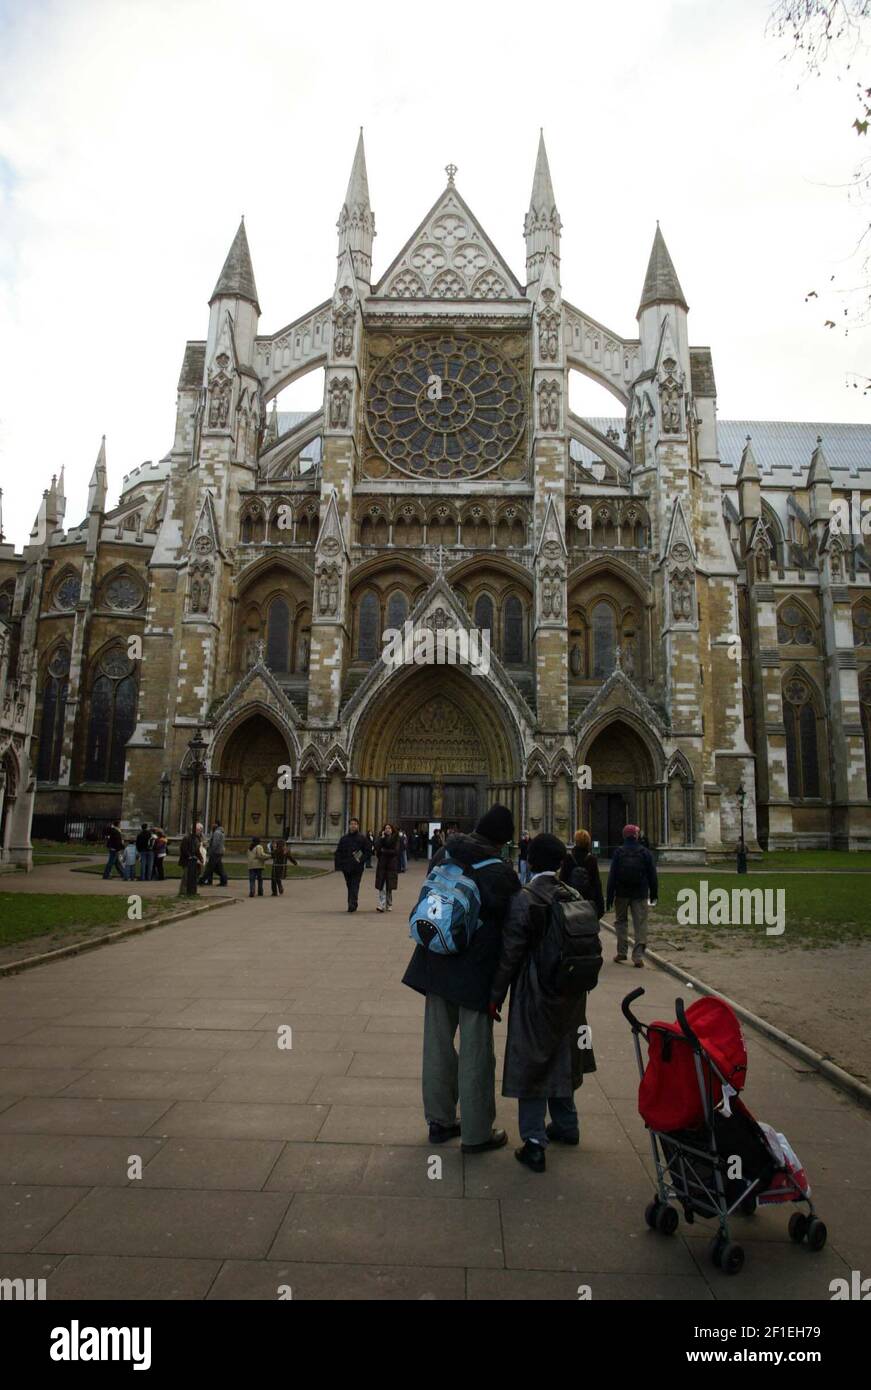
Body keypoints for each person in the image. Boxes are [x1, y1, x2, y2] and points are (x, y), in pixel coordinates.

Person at [402, 804, 519, 1155]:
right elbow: (512, 934)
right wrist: (501, 986)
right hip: (475, 975)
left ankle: (439, 1121)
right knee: (476, 1053)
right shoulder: (501, 872)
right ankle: (477, 1132)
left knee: (437, 1046)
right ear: (502, 841)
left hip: (435, 963)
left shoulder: (444, 853)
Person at [490, 833, 599, 1173]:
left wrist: (495, 995)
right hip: (572, 993)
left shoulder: (525, 898)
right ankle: (568, 1125)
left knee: (533, 1058)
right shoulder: (574, 894)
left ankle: (535, 1142)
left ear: (531, 861)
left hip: (536, 992)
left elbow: (510, 954)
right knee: (564, 1053)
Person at [606, 823, 658, 967]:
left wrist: (610, 895)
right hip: (639, 893)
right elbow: (652, 875)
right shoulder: (645, 852)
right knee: (640, 923)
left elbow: (612, 875)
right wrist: (654, 893)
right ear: (636, 835)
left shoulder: (618, 852)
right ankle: (638, 956)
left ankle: (622, 952)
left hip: (621, 893)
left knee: (621, 922)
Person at [559, 828, 605, 920]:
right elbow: (596, 883)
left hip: (571, 899)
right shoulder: (591, 859)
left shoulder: (568, 858)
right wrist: (600, 906)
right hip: (587, 900)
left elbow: (562, 880)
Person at [334, 817, 369, 912]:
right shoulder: (344, 839)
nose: (353, 826)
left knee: (355, 884)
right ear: (349, 826)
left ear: (358, 826)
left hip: (357, 867)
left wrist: (360, 859)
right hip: (346, 866)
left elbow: (367, 851)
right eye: (351, 824)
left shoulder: (362, 838)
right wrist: (338, 865)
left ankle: (352, 903)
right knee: (349, 885)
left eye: (355, 824)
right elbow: (338, 852)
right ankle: (352, 902)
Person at [375, 823, 400, 911]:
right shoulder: (381, 838)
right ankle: (381, 905)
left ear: (392, 829)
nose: (387, 829)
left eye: (389, 828)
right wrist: (381, 839)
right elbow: (377, 849)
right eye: (386, 828)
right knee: (382, 886)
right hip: (382, 865)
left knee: (389, 887)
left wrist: (384, 851)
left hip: (391, 866)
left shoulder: (396, 838)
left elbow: (395, 851)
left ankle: (389, 903)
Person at [200, 821, 228, 887]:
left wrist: (211, 850)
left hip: (215, 852)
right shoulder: (219, 832)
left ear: (216, 824)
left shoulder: (217, 833)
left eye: (213, 823)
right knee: (218, 867)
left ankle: (202, 880)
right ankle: (223, 880)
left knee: (210, 867)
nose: (212, 825)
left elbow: (215, 843)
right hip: (219, 852)